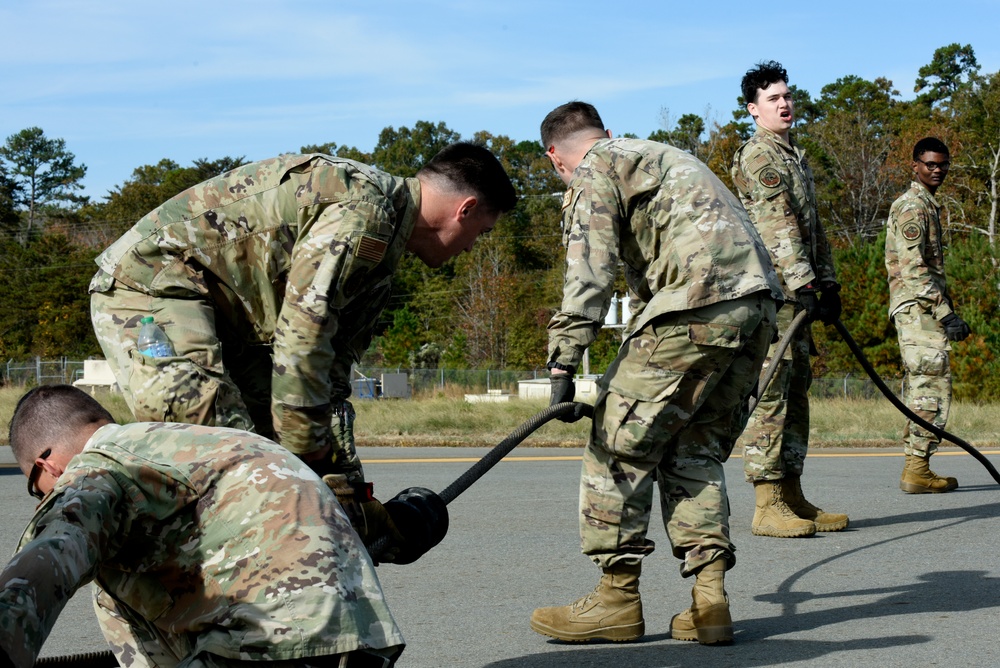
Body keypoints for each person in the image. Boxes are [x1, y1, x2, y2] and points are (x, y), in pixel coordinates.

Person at [89, 143, 516, 548]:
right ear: (466, 209)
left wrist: (350, 496)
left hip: (228, 320)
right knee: (225, 446)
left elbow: (329, 381)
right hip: (153, 285)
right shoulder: (364, 213)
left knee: (270, 453)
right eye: (481, 233)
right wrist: (313, 472)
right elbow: (302, 346)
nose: (471, 247)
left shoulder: (382, 260)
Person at [529, 101, 781, 646]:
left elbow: (588, 269)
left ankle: (616, 600)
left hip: (694, 306)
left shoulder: (594, 167)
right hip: (758, 310)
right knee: (694, 450)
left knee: (616, 443)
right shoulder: (664, 155)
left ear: (556, 158)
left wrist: (563, 358)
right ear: (607, 131)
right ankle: (710, 604)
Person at [0, 384, 404, 668]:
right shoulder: (213, 440)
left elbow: (51, 553)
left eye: (39, 489)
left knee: (105, 573)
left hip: (264, 643)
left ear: (45, 464)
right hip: (366, 640)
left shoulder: (96, 468)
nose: (46, 493)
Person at [731, 61, 849, 538]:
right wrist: (802, 282)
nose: (784, 104)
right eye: (773, 98)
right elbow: (775, 223)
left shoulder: (793, 155)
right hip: (774, 295)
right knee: (772, 393)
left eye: (787, 95)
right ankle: (766, 504)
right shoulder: (760, 157)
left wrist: (829, 281)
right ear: (753, 110)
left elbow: (811, 227)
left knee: (796, 391)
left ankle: (793, 493)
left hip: (798, 293)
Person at [885, 137, 969, 493]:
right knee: (929, 386)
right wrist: (945, 312)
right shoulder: (912, 206)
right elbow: (913, 268)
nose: (937, 170)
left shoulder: (927, 205)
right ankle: (916, 468)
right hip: (918, 309)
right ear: (914, 166)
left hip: (924, 307)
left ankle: (919, 466)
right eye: (930, 164)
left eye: (943, 164)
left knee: (929, 383)